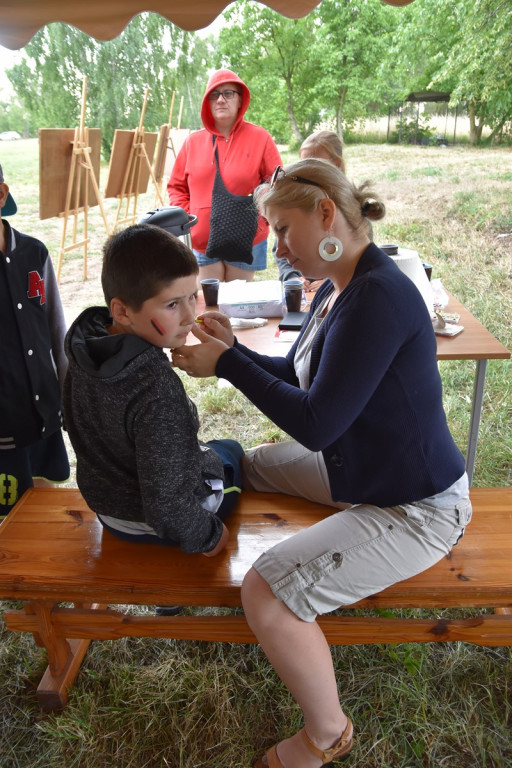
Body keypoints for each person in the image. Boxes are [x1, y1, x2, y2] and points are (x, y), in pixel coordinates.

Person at [171, 158, 472, 767]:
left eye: (283, 229)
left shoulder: (377, 297)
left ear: (326, 214)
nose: (277, 247)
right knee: (250, 467)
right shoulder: (342, 285)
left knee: (266, 593)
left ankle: (326, 733)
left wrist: (226, 365)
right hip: (357, 468)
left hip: (417, 507)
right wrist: (234, 351)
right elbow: (306, 382)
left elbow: (316, 422)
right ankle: (185, 536)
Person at [62, 223, 244, 556]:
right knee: (233, 454)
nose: (191, 316)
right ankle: (173, 594)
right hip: (152, 525)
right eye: (173, 305)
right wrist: (211, 538)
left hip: (108, 513)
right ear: (122, 311)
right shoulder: (158, 390)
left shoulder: (84, 348)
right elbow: (167, 506)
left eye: (193, 296)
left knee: (213, 449)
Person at [0, 162, 69, 520]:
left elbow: (56, 330)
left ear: (1, 195)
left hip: (42, 410)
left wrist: (66, 394)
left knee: (44, 507)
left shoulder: (34, 253)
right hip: (3, 420)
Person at [168, 69, 281, 282]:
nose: (221, 99)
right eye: (214, 94)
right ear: (207, 102)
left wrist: (262, 219)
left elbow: (277, 185)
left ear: (240, 100)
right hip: (202, 240)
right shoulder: (192, 142)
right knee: (210, 309)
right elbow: (176, 187)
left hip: (246, 238)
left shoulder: (260, 138)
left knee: (238, 307)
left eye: (229, 93)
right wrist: (189, 216)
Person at [276, 130, 345, 290]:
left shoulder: (351, 206)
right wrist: (293, 277)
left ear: (336, 164)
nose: (305, 172)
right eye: (302, 164)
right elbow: (281, 250)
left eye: (314, 164)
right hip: (303, 291)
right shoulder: (295, 201)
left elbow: (356, 259)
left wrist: (330, 282)